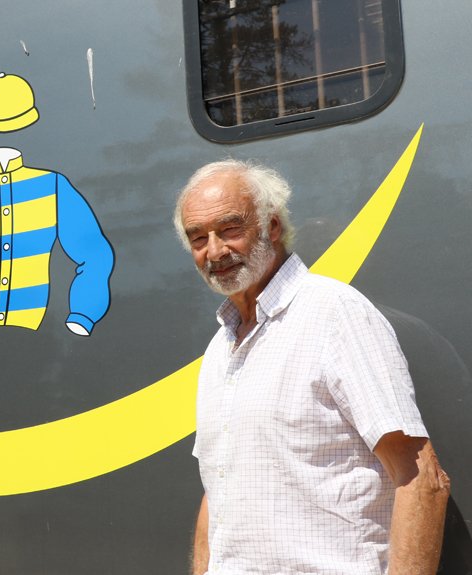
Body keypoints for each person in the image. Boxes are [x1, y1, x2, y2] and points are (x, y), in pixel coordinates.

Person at [174, 160, 451, 574]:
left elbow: (421, 477)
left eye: (230, 229)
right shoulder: (221, 347)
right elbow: (219, 488)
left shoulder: (335, 314)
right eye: (198, 238)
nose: (214, 251)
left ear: (271, 226)